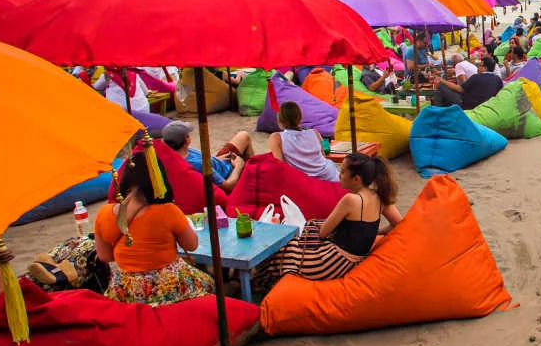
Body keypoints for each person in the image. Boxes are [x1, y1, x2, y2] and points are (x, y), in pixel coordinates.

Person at [258, 153, 403, 286]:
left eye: (343, 172)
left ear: (356, 179)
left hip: (332, 263)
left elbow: (322, 232)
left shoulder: (350, 199)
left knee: (285, 249)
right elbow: (398, 223)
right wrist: (373, 232)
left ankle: (254, 283)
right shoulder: (380, 198)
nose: (339, 175)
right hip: (358, 260)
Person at [94, 151, 213, 305]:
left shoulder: (104, 213)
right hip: (166, 285)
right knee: (209, 283)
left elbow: (105, 256)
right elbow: (192, 245)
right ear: (158, 179)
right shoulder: (168, 210)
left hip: (124, 289)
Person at [161, 120, 252, 193]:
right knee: (255, 166)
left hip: (217, 163)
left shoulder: (177, 152)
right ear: (186, 140)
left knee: (243, 135)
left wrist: (216, 159)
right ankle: (250, 174)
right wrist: (238, 166)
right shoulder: (199, 165)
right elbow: (228, 186)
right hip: (229, 175)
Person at [269, 101, 339, 181]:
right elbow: (322, 156)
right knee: (330, 164)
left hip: (303, 181)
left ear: (279, 120)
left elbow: (280, 167)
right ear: (299, 117)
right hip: (328, 176)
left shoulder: (276, 138)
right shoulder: (314, 133)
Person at [433, 55, 503, 110]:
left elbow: (460, 89)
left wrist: (442, 80)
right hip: (487, 107)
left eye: (480, 66)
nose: (477, 68)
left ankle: (437, 114)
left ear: (485, 68)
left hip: (467, 106)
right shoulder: (498, 80)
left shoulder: (476, 77)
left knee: (441, 87)